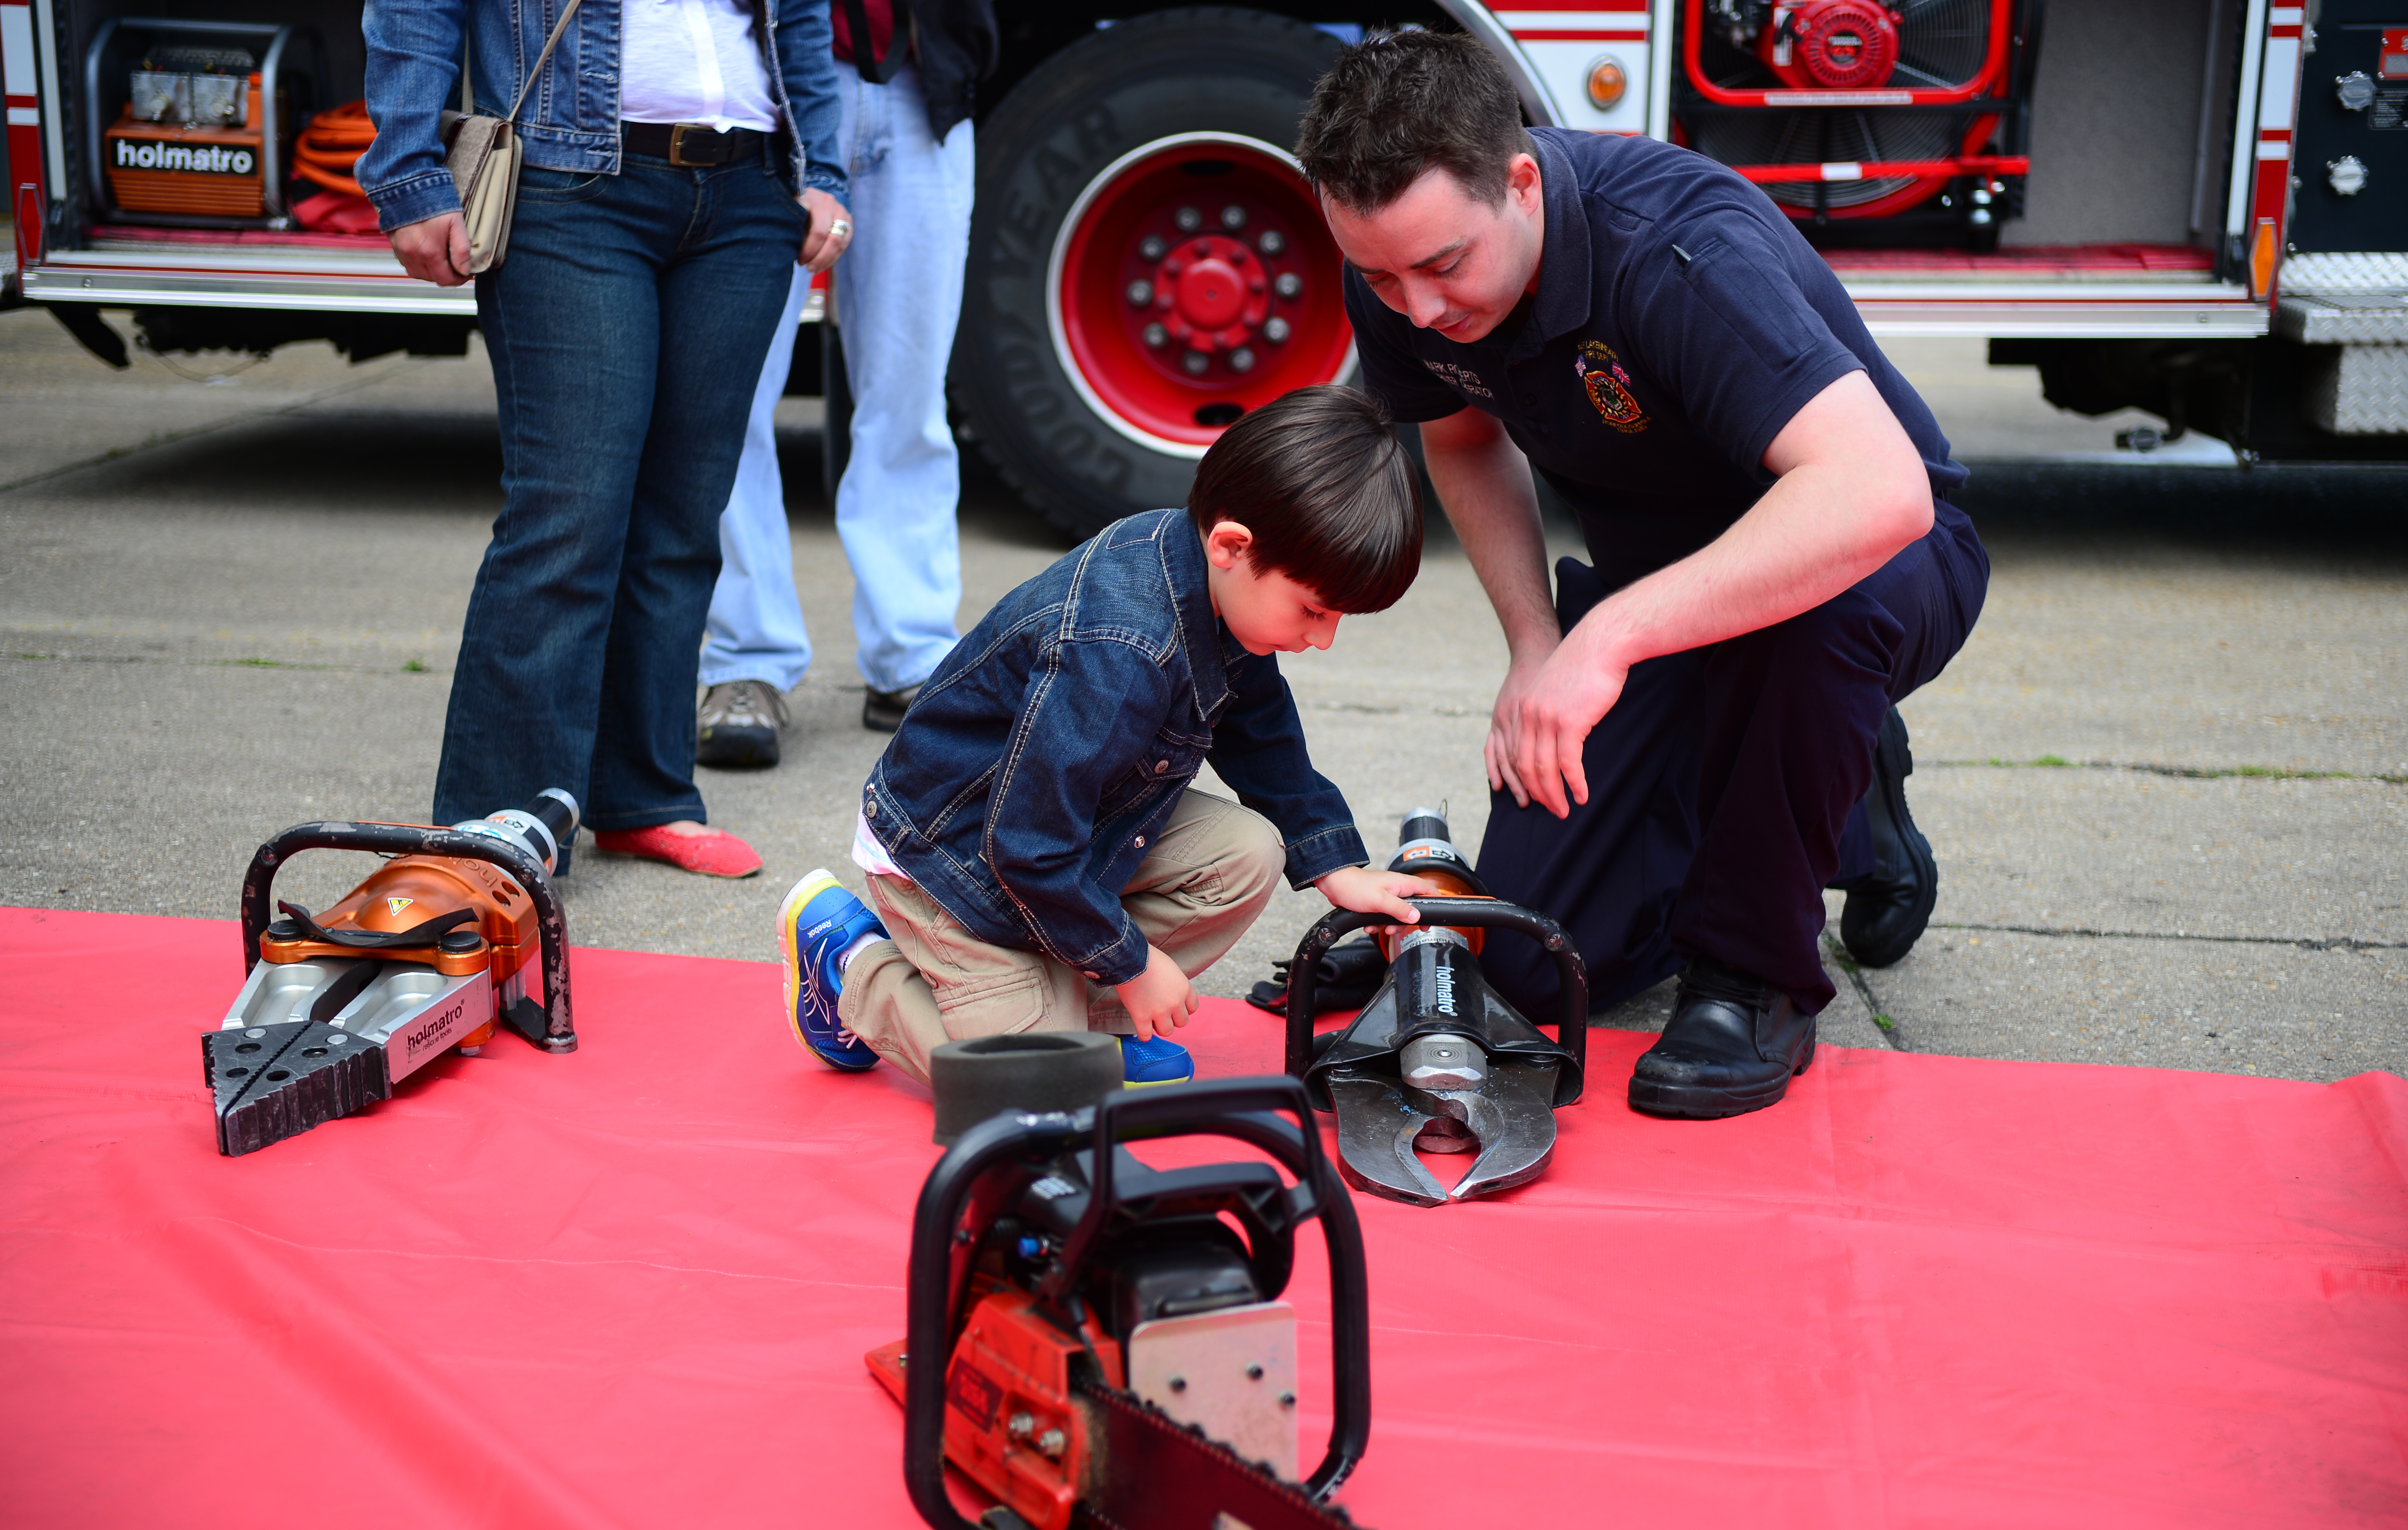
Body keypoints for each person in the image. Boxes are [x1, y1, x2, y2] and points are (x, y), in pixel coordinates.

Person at [1293, 32, 1988, 1120]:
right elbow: (1462, 437)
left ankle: (1754, 976)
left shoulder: (1673, 250)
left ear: (1519, 181)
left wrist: (1603, 642)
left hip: (1870, 567)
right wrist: (1534, 647)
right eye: (1381, 275)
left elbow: (1879, 494)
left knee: (1805, 634)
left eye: (1441, 266)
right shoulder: (1399, 260)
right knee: (1528, 966)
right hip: (1662, 603)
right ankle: (1841, 799)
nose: (1416, 308)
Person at [774, 387, 1441, 1089]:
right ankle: (853, 968)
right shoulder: (1121, 645)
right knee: (1036, 1094)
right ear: (1231, 545)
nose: (1324, 639)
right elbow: (1025, 849)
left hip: (1057, 831)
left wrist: (1333, 864)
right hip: (953, 861)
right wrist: (1131, 963)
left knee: (1249, 855)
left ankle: (1076, 1024)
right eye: (1313, 610)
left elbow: (1262, 732)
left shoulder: (1215, 582)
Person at [359, 0, 851, 877]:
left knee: (684, 516)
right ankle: (494, 822)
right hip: (569, 183)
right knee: (570, 514)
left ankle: (642, 796)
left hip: (747, 189)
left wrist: (825, 171)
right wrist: (409, 175)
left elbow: (803, 16)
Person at [694, 0, 995, 768]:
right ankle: (744, 660)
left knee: (911, 398)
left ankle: (914, 654)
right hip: (757, 85)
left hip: (921, 72)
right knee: (731, 402)